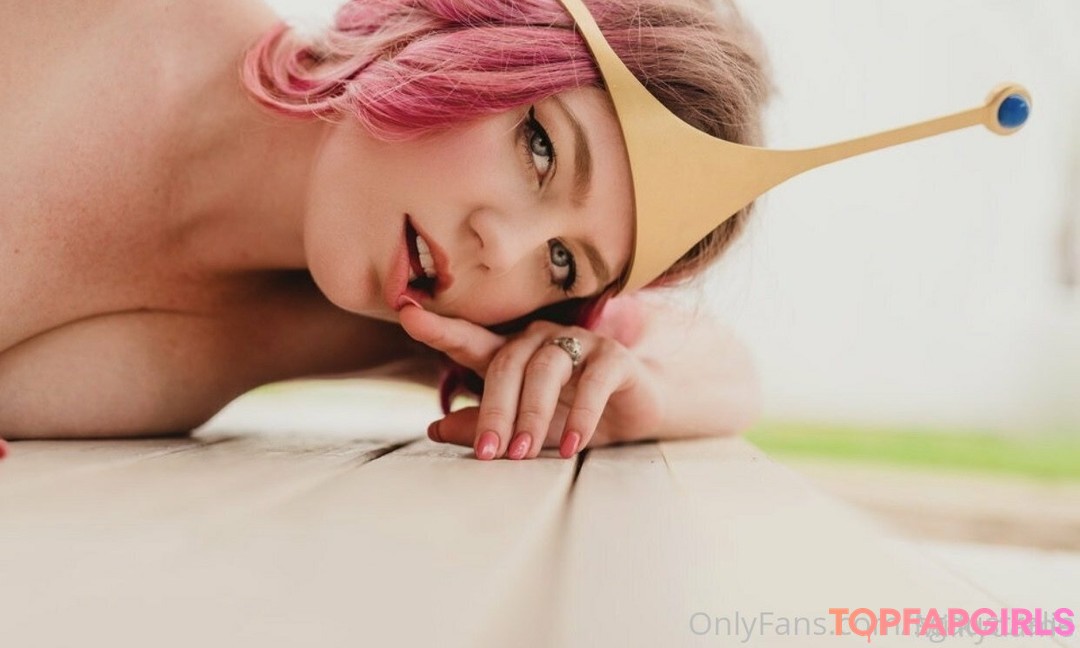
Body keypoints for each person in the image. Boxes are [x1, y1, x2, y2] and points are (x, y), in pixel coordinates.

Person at [0, 0, 771, 460]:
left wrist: (629, 395)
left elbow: (724, 368)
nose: (504, 251)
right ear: (461, 37)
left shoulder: (393, 323)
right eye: (540, 149)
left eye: (564, 261)